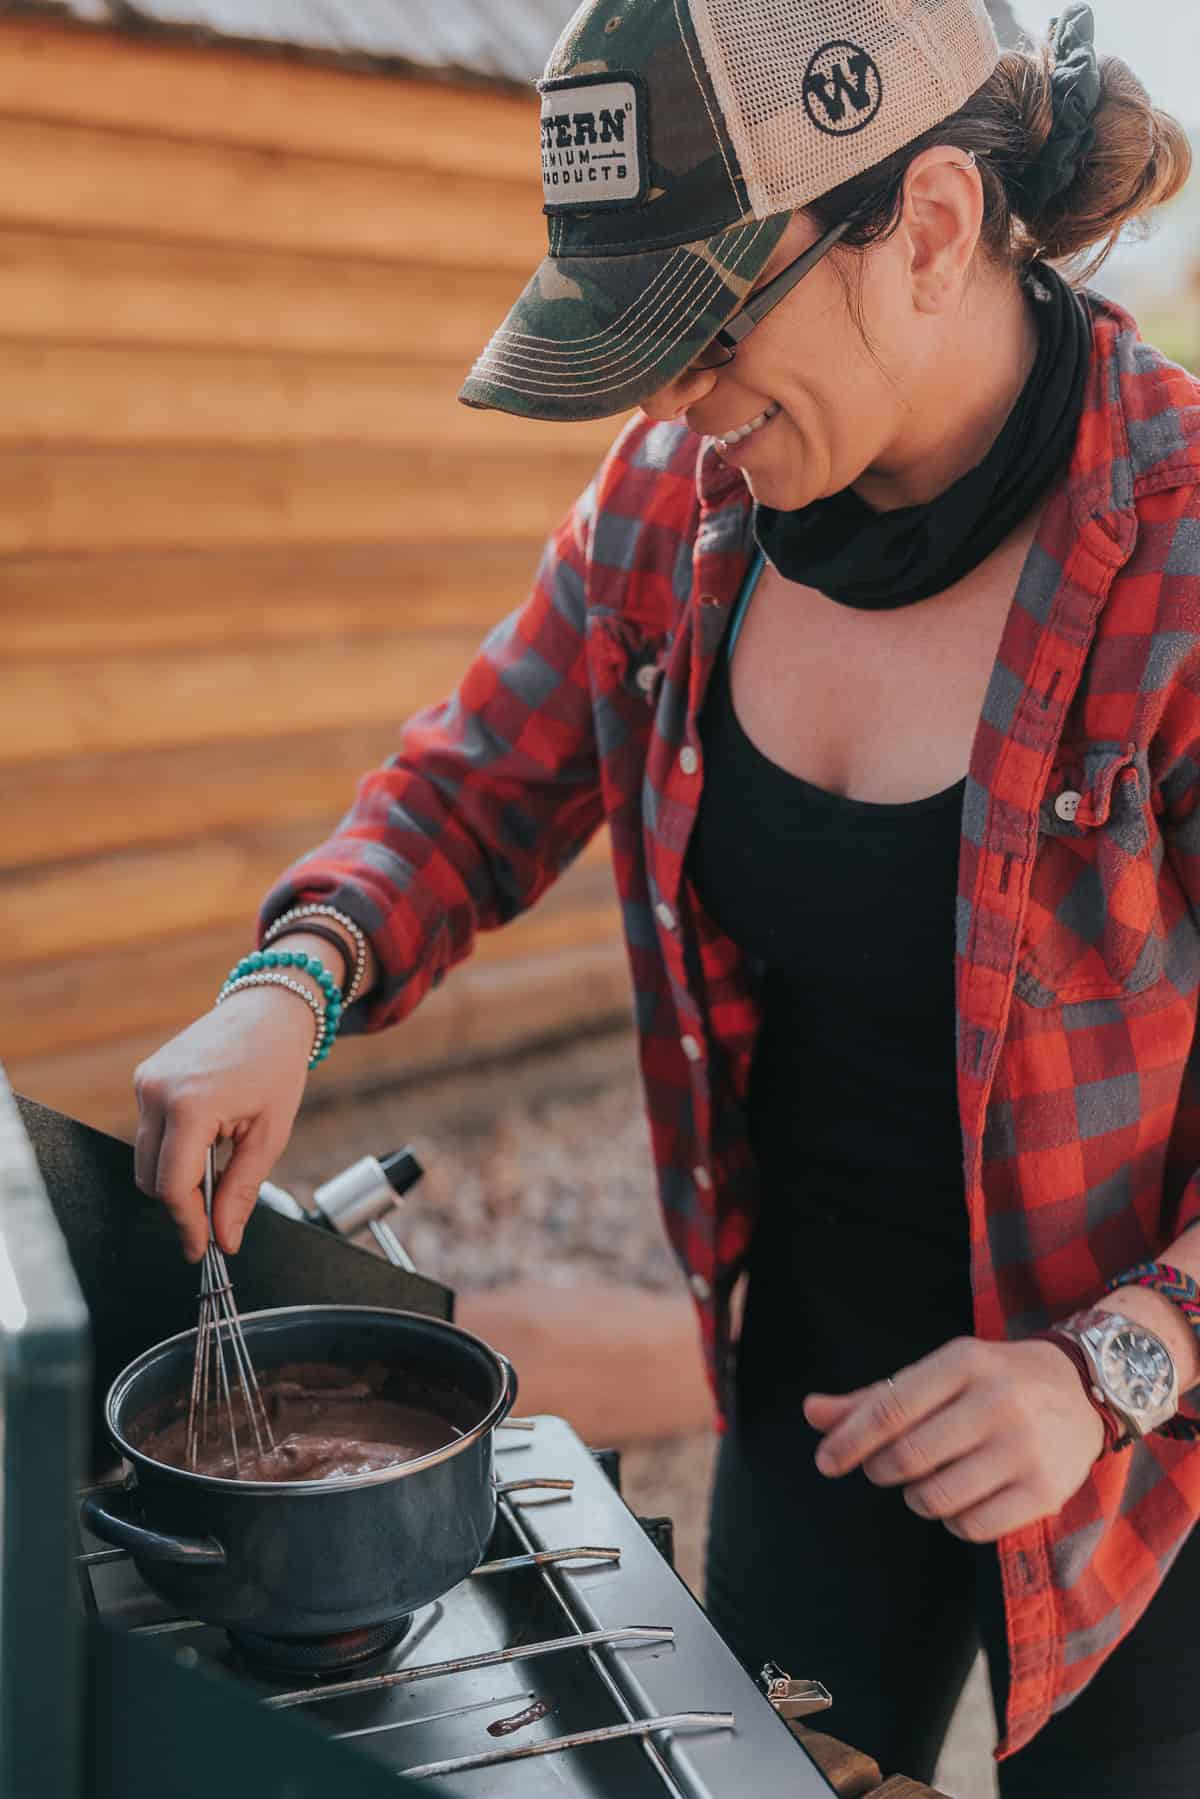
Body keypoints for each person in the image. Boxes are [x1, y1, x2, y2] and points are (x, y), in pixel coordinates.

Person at [132, 0, 1200, 1790]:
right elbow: (467, 787)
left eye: (700, 330)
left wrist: (1113, 1365)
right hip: (811, 1388)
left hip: (1145, 1454)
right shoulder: (669, 509)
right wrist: (288, 987)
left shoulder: (1180, 552)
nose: (663, 397)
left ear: (929, 229)